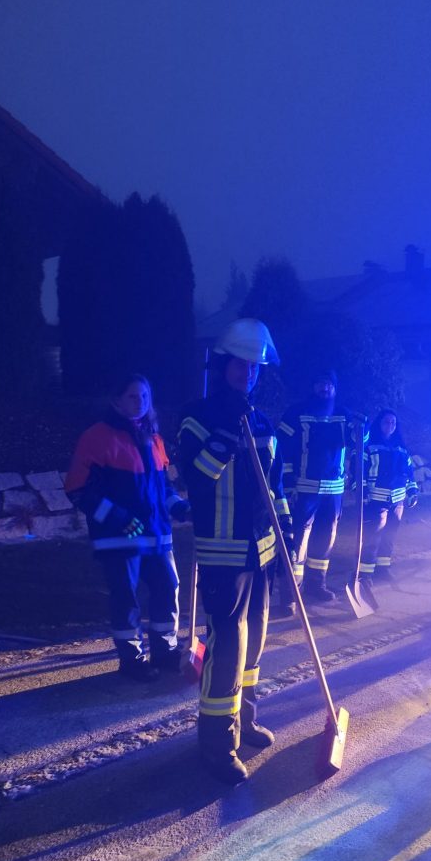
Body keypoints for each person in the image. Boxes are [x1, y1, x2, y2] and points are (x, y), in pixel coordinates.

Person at [178, 318, 290, 785]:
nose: (248, 373)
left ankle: (245, 719)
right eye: (241, 365)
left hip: (260, 550)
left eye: (255, 367)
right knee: (227, 646)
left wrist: (284, 527)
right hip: (222, 551)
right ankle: (217, 743)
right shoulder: (198, 418)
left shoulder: (262, 422)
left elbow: (274, 484)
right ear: (224, 365)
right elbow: (195, 480)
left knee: (255, 641)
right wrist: (223, 439)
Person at [65, 373, 189, 681]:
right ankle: (132, 661)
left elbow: (164, 486)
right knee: (126, 598)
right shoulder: (97, 438)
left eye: (144, 396)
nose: (140, 402)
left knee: (168, 588)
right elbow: (78, 489)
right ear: (116, 400)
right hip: (118, 537)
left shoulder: (154, 439)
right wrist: (118, 518)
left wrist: (178, 506)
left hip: (157, 535)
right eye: (133, 396)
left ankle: (165, 651)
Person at [274, 368, 363, 613]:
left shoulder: (343, 415)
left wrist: (362, 430)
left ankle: (316, 584)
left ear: (335, 388)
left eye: (329, 385)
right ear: (313, 387)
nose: (325, 388)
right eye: (321, 384)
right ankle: (291, 593)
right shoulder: (296, 413)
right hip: (304, 488)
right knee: (297, 540)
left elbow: (357, 444)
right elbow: (281, 448)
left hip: (333, 491)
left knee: (326, 537)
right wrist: (287, 482)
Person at [357, 408, 419, 585]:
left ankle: (383, 569)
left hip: (397, 501)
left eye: (393, 422)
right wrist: (362, 492)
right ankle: (365, 574)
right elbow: (359, 470)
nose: (390, 425)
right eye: (386, 422)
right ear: (379, 423)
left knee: (389, 537)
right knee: (372, 537)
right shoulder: (369, 446)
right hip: (376, 499)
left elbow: (409, 473)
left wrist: (413, 491)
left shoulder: (402, 449)